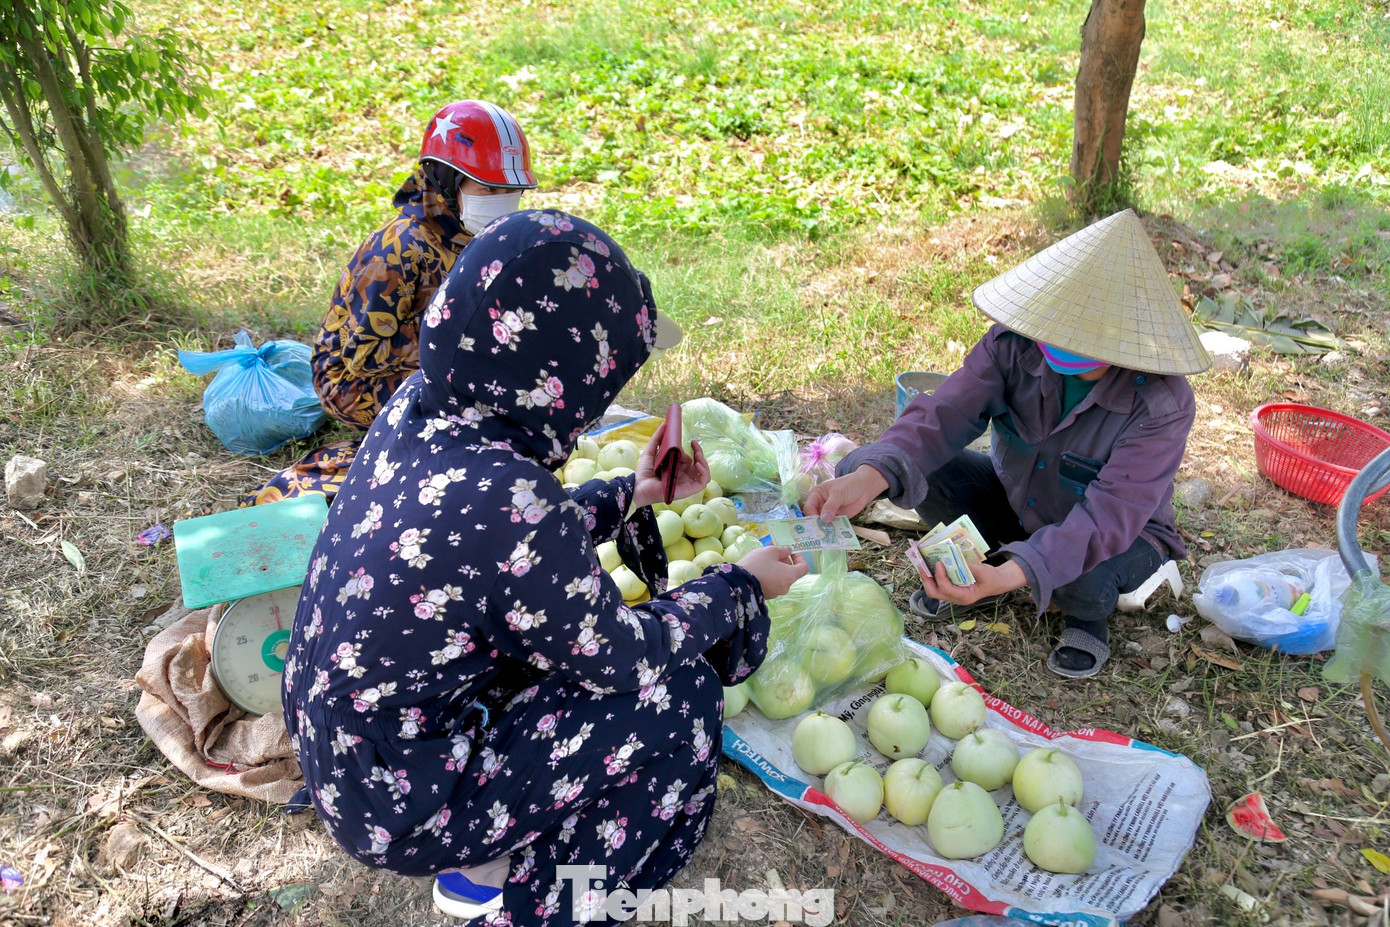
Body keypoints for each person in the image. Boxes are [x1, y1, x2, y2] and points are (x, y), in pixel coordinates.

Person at [281, 209, 809, 924]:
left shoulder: (421, 407)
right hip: (405, 798)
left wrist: (636, 492)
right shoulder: (511, 496)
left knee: (557, 651)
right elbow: (624, 657)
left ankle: (491, 853)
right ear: (563, 377)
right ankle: (539, 899)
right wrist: (739, 585)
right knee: (679, 694)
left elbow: (506, 551)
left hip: (353, 756)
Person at [806, 209, 1211, 679]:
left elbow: (1108, 517)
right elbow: (943, 415)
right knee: (927, 471)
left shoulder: (1161, 403)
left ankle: (1085, 618)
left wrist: (1006, 575)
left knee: (1083, 571)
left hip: (1122, 535)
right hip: (1018, 500)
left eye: (1085, 333)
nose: (1061, 337)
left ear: (1128, 337)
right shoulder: (1013, 346)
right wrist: (868, 476)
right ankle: (984, 573)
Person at [247, 100, 537, 506]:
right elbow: (361, 356)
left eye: (510, 191)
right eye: (488, 189)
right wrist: (459, 341)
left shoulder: (470, 234)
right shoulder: (398, 250)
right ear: (446, 180)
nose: (501, 200)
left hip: (436, 360)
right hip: (352, 382)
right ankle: (319, 481)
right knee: (467, 428)